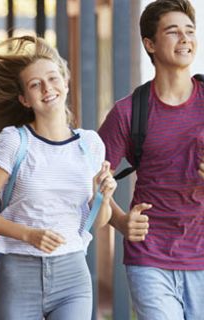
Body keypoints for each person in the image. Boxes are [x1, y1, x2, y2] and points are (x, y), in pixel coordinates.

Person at [0, 36, 117, 319]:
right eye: (35, 84)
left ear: (66, 82)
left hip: (73, 276)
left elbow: (101, 220)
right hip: (20, 275)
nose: (47, 88)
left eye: (53, 78)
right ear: (24, 98)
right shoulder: (14, 141)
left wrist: (103, 198)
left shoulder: (90, 144)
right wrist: (28, 235)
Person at [98, 1, 204, 319]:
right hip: (150, 256)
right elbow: (88, 177)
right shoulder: (128, 112)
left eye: (190, 31)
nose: (185, 39)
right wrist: (120, 220)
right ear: (150, 44)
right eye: (173, 32)